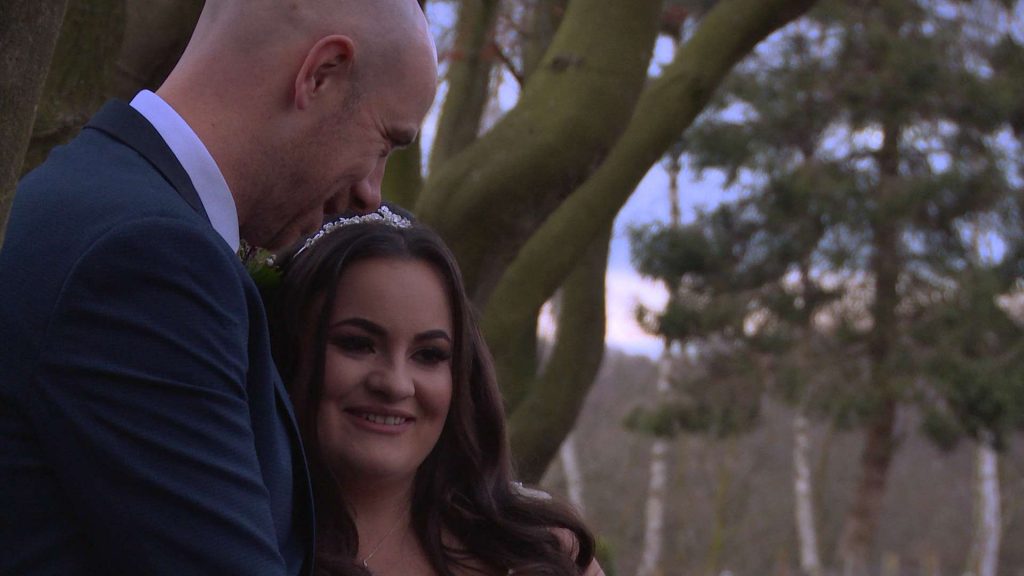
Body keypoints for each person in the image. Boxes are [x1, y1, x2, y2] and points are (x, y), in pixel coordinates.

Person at [0, 0, 437, 573]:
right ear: (321, 73)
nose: (372, 195)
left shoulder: (93, 195)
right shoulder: (148, 259)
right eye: (383, 144)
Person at [269, 206, 605, 576]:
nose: (396, 383)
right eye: (357, 344)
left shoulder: (541, 556)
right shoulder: (230, 539)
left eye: (429, 354)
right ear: (288, 348)